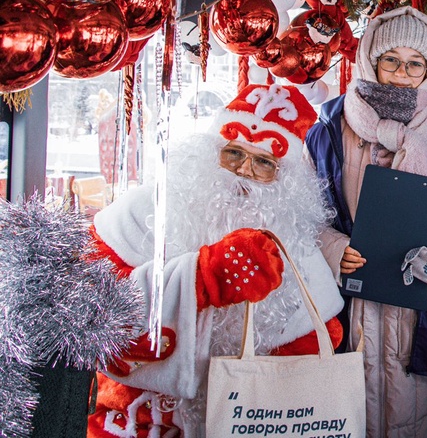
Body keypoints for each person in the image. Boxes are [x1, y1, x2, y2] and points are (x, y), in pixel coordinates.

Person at [87, 83, 346, 437]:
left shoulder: (293, 239)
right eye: (233, 154)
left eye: (264, 163)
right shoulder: (145, 209)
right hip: (135, 418)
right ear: (210, 153)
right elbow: (88, 306)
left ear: (285, 179)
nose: (243, 172)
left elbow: (317, 340)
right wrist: (202, 278)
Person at [304, 5, 427, 437]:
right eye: (391, 60)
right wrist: (333, 249)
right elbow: (300, 216)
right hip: (348, 312)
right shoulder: (329, 131)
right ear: (371, 59)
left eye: (414, 63)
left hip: (420, 319)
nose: (402, 73)